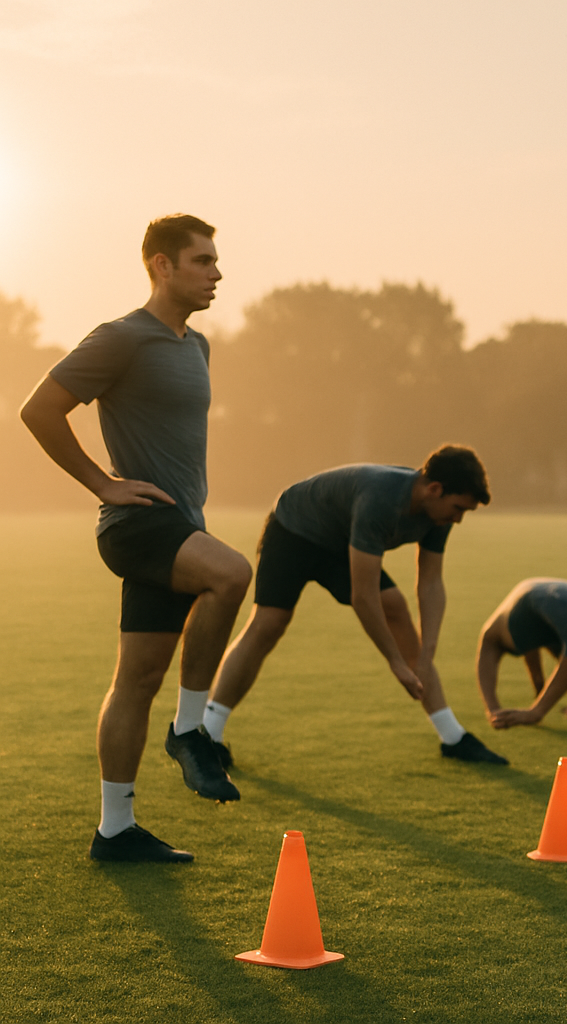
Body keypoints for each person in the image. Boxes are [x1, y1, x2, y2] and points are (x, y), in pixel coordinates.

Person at [21, 215, 252, 864]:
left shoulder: (196, 346)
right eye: (203, 261)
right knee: (231, 574)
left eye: (215, 261)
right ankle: (191, 730)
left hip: (180, 526)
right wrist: (102, 483)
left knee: (137, 679)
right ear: (161, 265)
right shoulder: (121, 338)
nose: (217, 272)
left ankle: (115, 831)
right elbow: (38, 409)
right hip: (138, 523)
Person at [202, 446, 509, 766]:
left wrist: (426, 651)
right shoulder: (380, 499)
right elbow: (364, 596)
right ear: (434, 489)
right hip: (293, 531)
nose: (458, 519)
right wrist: (394, 660)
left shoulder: (438, 515)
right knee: (269, 624)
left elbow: (430, 583)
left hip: (340, 542)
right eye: (458, 508)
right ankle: (209, 733)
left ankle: (452, 737)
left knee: (396, 608)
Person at [476, 578, 567, 728]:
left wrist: (536, 711)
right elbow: (530, 649)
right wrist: (493, 709)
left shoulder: (560, 612)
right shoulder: (497, 633)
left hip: (563, 602)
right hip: (548, 597)